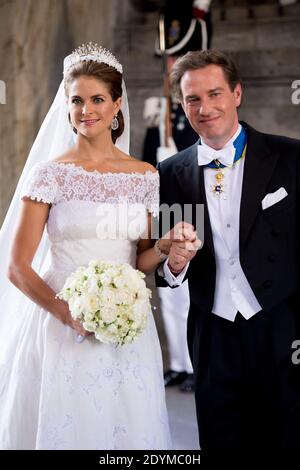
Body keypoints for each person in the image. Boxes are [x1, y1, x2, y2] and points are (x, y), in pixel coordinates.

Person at [0, 43, 172, 450]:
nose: (86, 110)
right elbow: (18, 267)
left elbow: (140, 259)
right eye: (76, 100)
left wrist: (165, 247)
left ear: (117, 106)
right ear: (67, 105)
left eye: (97, 99)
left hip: (128, 330)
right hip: (61, 328)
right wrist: (67, 313)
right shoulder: (50, 175)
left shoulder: (145, 175)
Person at [156, 49, 300, 449]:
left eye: (215, 94)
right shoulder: (170, 174)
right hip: (213, 334)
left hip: (283, 330)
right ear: (182, 106)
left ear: (237, 94)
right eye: (193, 99)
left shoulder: (291, 157)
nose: (205, 108)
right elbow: (163, 269)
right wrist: (174, 264)